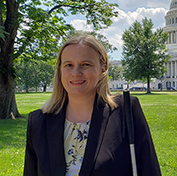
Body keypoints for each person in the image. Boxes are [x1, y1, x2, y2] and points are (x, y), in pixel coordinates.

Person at [23, 34, 161, 176]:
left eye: (85, 65)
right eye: (69, 65)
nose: (76, 73)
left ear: (103, 68)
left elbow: (150, 170)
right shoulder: (39, 121)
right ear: (59, 70)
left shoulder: (125, 111)